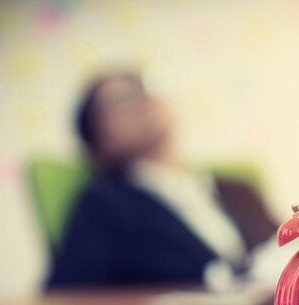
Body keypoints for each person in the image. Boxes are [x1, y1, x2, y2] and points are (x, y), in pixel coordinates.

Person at [46, 71, 277, 289]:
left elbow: (290, 254)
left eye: (145, 86)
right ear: (98, 138)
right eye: (121, 98)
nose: (143, 99)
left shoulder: (239, 189)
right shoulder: (103, 205)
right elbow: (64, 296)